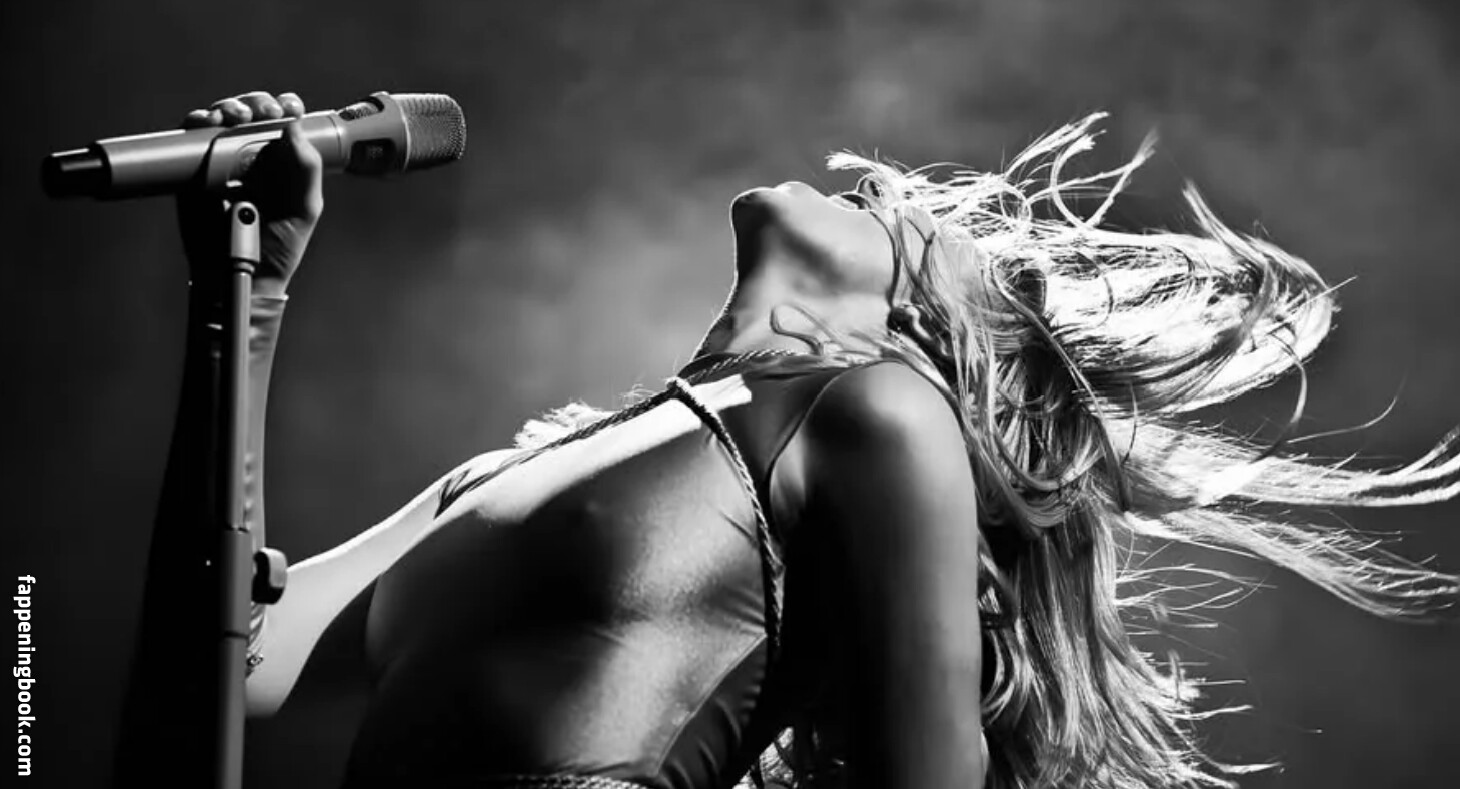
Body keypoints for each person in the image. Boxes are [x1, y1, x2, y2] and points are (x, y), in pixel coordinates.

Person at [113, 91, 1460, 789]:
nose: (882, 182)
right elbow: (219, 666)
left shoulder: (878, 416)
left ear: (942, 327)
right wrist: (246, 296)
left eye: (917, 218)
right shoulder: (519, 470)